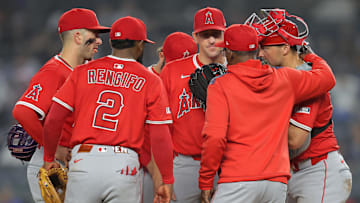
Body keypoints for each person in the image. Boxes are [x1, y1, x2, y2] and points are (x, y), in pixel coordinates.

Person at [41, 16, 174, 203]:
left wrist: (48, 157)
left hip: (83, 161)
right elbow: (161, 136)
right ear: (140, 44)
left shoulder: (82, 72)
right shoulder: (151, 80)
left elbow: (53, 119)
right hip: (124, 165)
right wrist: (166, 180)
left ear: (111, 41)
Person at [198, 24, 336, 203]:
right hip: (276, 183)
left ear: (229, 53)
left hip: (238, 179)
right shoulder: (285, 79)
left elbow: (215, 137)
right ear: (256, 50)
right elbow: (327, 78)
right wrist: (308, 53)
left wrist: (206, 181)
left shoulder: (220, 85)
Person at [11, 8, 110, 202]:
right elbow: (22, 112)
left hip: (77, 158)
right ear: (78, 37)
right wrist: (53, 148)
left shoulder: (85, 71)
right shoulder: (54, 71)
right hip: (54, 163)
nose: (99, 40)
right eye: (95, 34)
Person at [255, 9, 352, 203]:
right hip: (292, 171)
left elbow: (296, 140)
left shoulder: (308, 77)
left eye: (265, 46)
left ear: (284, 48)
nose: (260, 52)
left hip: (318, 172)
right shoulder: (281, 76)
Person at [159, 7, 226, 203]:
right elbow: (161, 125)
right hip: (184, 165)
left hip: (228, 164)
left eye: (216, 34)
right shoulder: (172, 70)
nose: (212, 40)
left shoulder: (235, 70)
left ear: (225, 34)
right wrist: (164, 174)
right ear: (195, 37)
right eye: (206, 35)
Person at [142, 31, 197, 203]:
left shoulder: (196, 79)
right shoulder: (145, 80)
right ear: (161, 55)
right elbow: (140, 135)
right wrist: (160, 177)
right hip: (145, 166)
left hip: (180, 166)